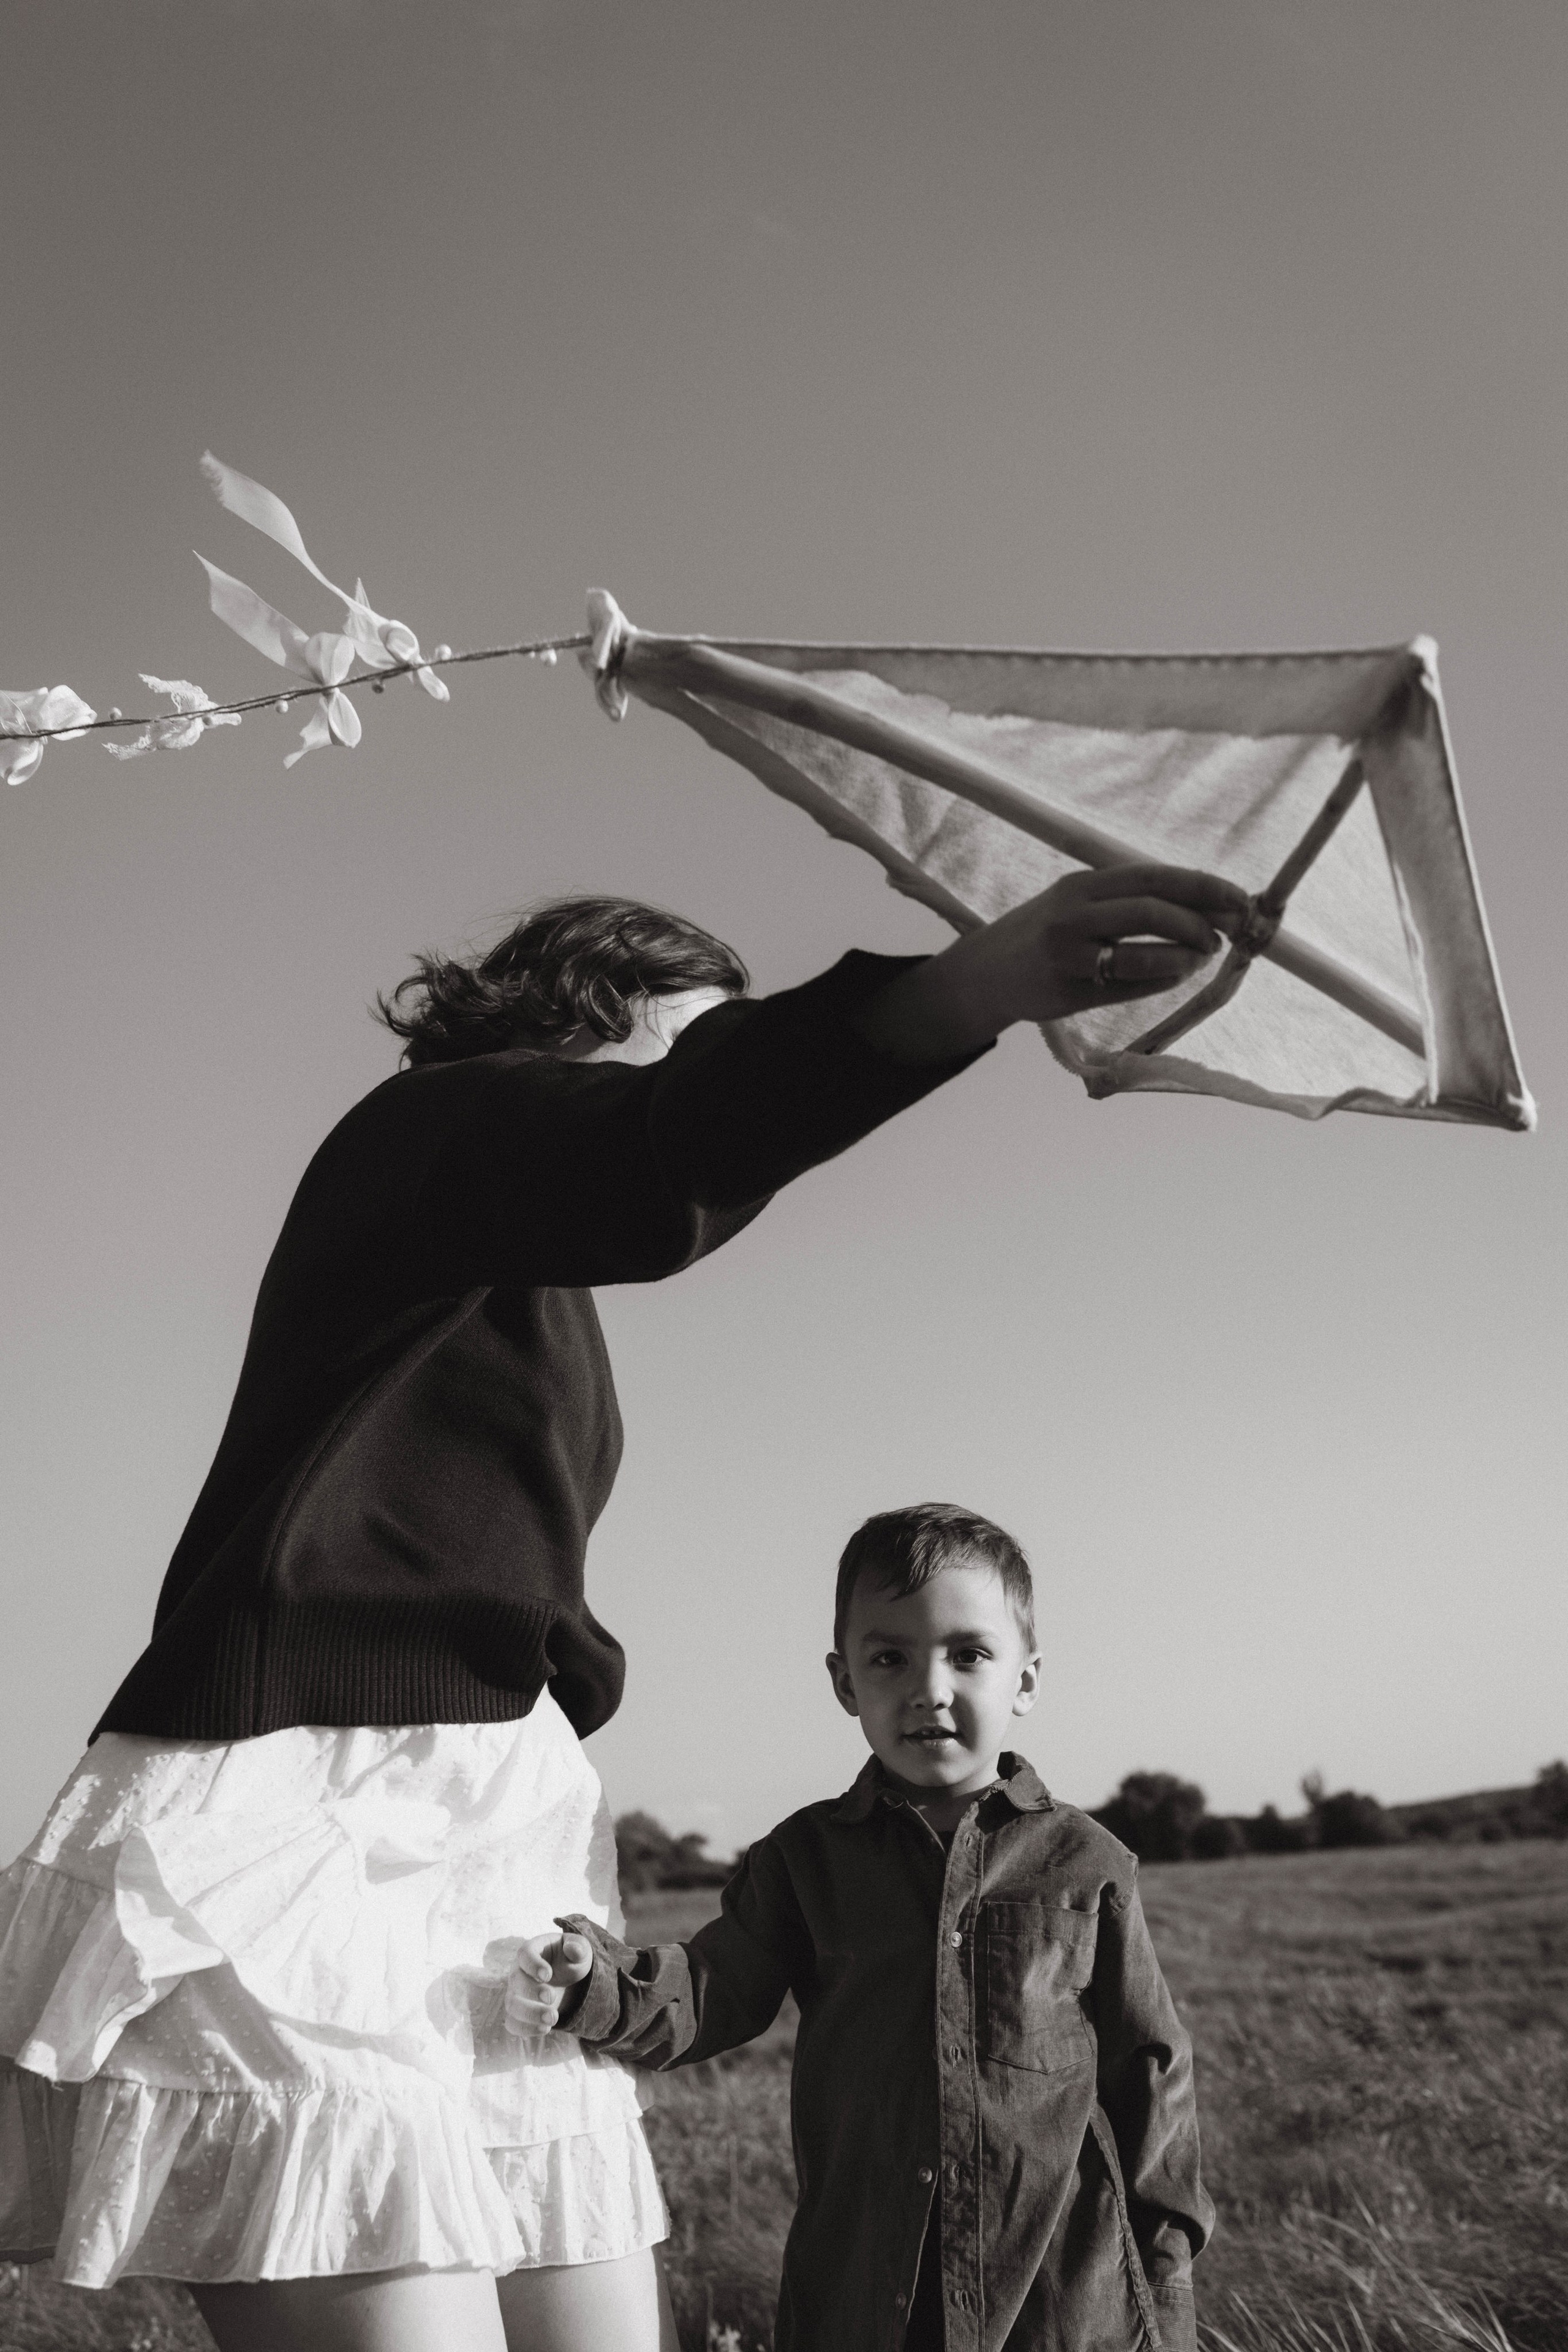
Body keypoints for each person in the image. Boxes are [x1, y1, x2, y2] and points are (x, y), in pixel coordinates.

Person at [0, 864, 1242, 2352]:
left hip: (484, 1842)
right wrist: (966, 988)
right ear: (588, 1016)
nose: (721, 1080)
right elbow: (666, 1155)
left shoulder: (521, 1272)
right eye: (703, 1040)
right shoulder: (433, 1129)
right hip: (310, 1825)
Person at [514, 1502, 1212, 2352]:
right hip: (867, 2287)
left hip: (1059, 2296)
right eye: (890, 1657)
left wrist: (1167, 2267)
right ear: (846, 1681)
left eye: (969, 1655)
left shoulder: (1088, 1861)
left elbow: (1151, 2072)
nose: (930, 1689)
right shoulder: (804, 1859)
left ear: (1025, 1680)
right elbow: (712, 1989)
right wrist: (599, 1984)